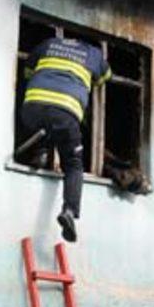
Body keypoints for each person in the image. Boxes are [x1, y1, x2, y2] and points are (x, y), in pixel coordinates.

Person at [20, 35, 111, 243]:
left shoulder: (47, 43)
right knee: (73, 163)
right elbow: (106, 76)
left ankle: (40, 154)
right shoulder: (93, 53)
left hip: (32, 104)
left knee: (42, 129)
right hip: (65, 110)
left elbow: (27, 71)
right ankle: (69, 211)